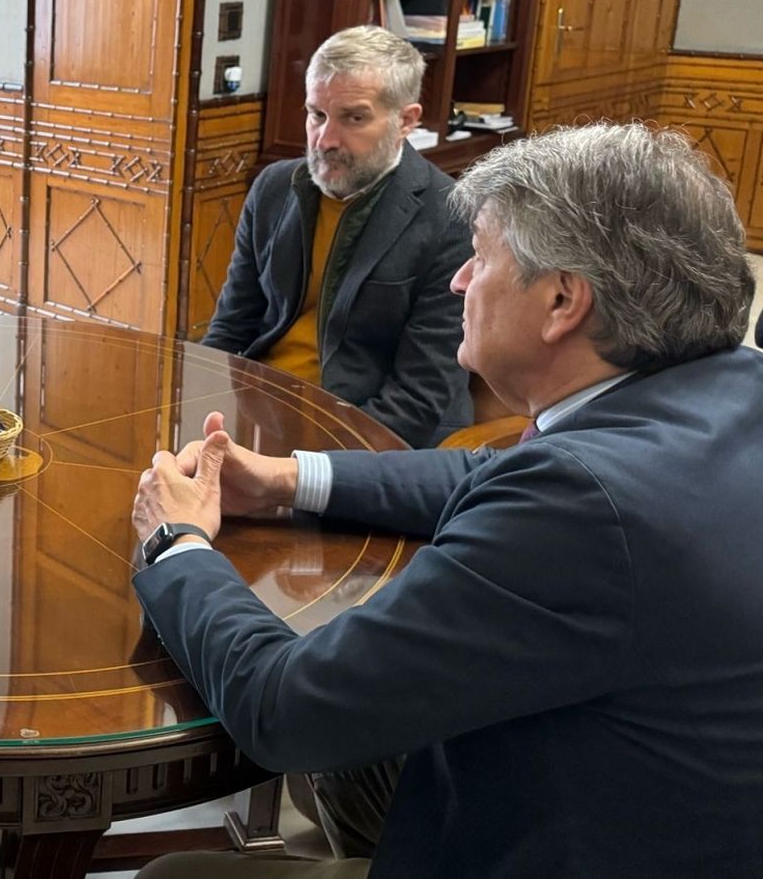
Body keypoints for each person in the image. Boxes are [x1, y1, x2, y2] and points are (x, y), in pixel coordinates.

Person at [131, 121, 763, 877]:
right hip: (647, 791)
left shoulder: (581, 507)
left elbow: (285, 709)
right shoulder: (733, 385)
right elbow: (489, 474)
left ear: (563, 300)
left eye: (481, 257)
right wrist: (286, 477)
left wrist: (176, 543)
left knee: (174, 874)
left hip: (547, 836)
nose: (460, 281)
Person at [201, 26, 471, 449]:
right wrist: (198, 411)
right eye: (317, 115)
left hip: (363, 433)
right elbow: (231, 327)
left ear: (406, 120)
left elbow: (420, 399)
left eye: (353, 118)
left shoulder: (450, 216)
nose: (325, 140)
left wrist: (303, 468)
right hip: (261, 412)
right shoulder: (274, 188)